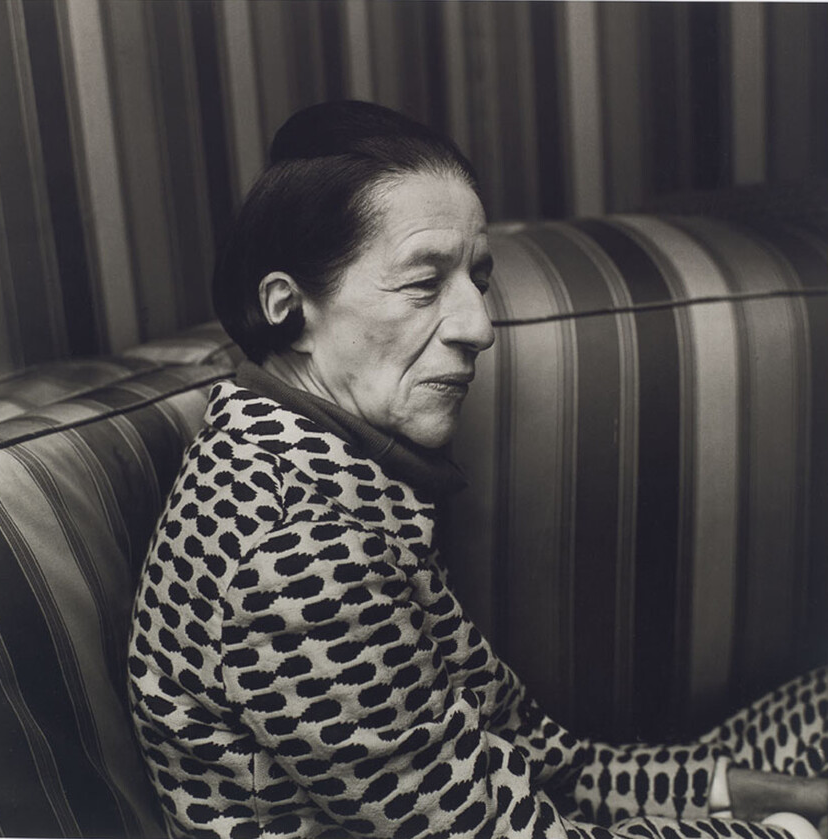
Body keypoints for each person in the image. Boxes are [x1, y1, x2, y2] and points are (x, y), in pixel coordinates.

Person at [127, 101, 828, 839]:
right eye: (424, 284)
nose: (478, 326)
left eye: (476, 278)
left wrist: (750, 792)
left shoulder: (316, 466)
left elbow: (536, 759)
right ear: (288, 308)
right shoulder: (297, 551)